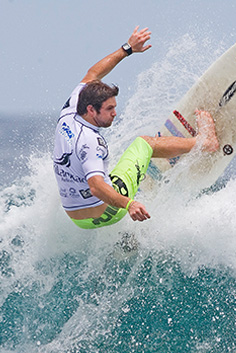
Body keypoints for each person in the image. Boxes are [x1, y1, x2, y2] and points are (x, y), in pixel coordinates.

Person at [53, 26, 219, 230]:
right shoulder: (89, 142)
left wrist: (127, 49)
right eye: (109, 109)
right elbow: (96, 187)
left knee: (111, 173)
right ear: (91, 109)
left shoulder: (70, 109)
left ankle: (128, 235)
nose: (115, 113)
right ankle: (205, 142)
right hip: (107, 212)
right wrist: (129, 204)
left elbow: (93, 73)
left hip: (79, 220)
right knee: (144, 143)